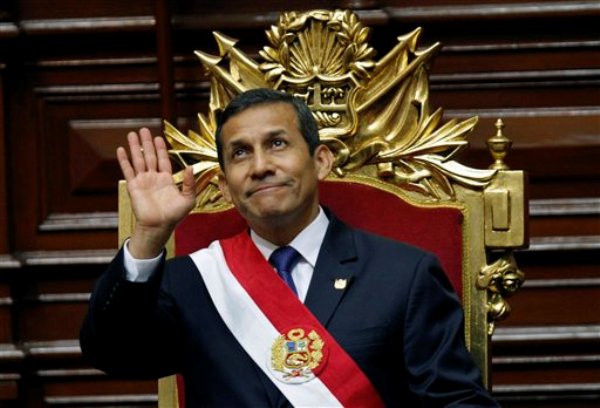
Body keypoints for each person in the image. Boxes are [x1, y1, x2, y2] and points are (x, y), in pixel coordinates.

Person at [80, 88, 500, 407]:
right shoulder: (192, 282)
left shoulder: (403, 275)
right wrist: (149, 234)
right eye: (240, 153)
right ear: (224, 186)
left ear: (321, 161)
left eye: (277, 144)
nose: (261, 166)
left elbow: (458, 402)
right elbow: (114, 354)